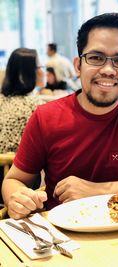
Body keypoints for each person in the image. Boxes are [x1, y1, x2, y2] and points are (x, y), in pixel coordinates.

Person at [2, 13, 118, 219]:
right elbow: (13, 180)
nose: (109, 70)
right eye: (96, 58)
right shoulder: (46, 117)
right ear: (78, 65)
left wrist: (97, 190)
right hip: (63, 238)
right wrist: (17, 198)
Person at [0, 48, 45, 204]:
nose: (43, 71)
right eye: (40, 67)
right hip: (19, 183)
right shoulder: (37, 107)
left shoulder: (1, 100)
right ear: (27, 72)